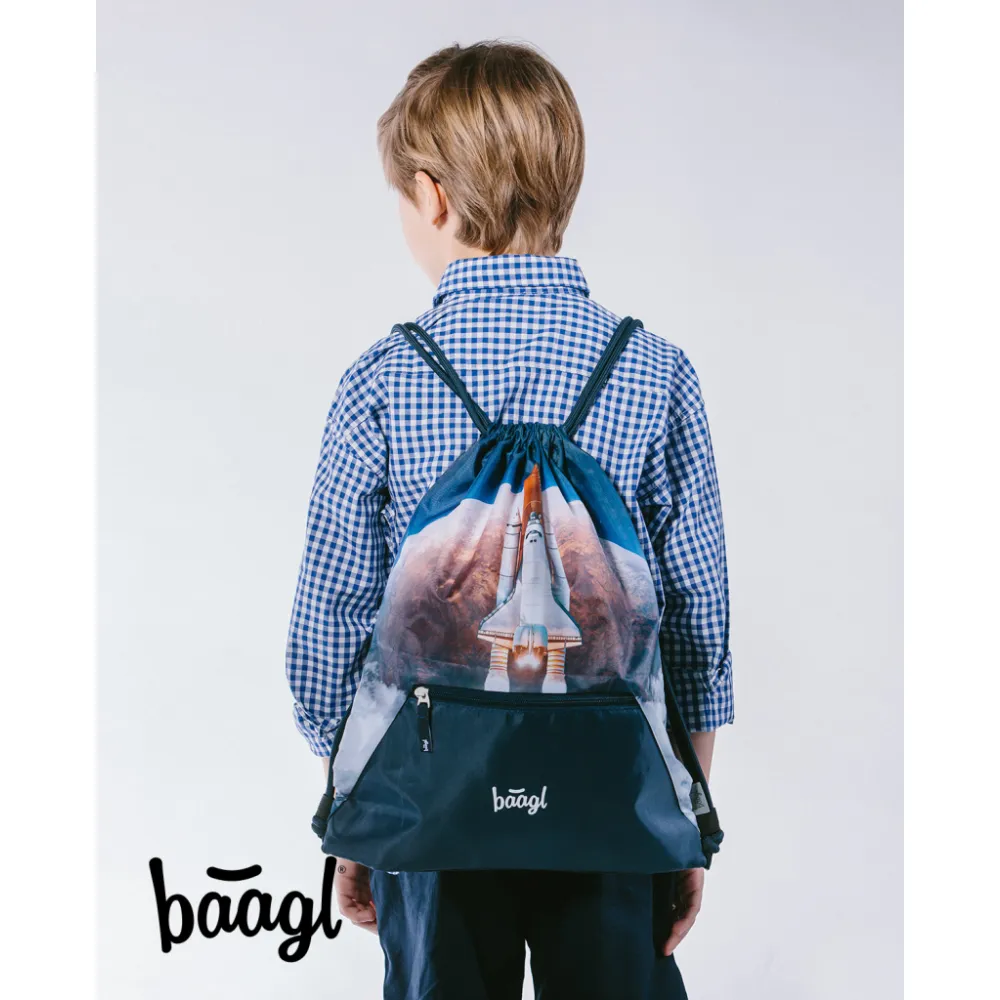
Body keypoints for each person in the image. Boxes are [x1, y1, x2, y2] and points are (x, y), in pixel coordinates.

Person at [285, 40, 733, 1000]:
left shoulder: (381, 382)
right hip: (614, 803)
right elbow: (699, 621)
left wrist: (359, 806)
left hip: (433, 803)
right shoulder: (657, 372)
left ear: (432, 197)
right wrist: (688, 817)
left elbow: (330, 624)